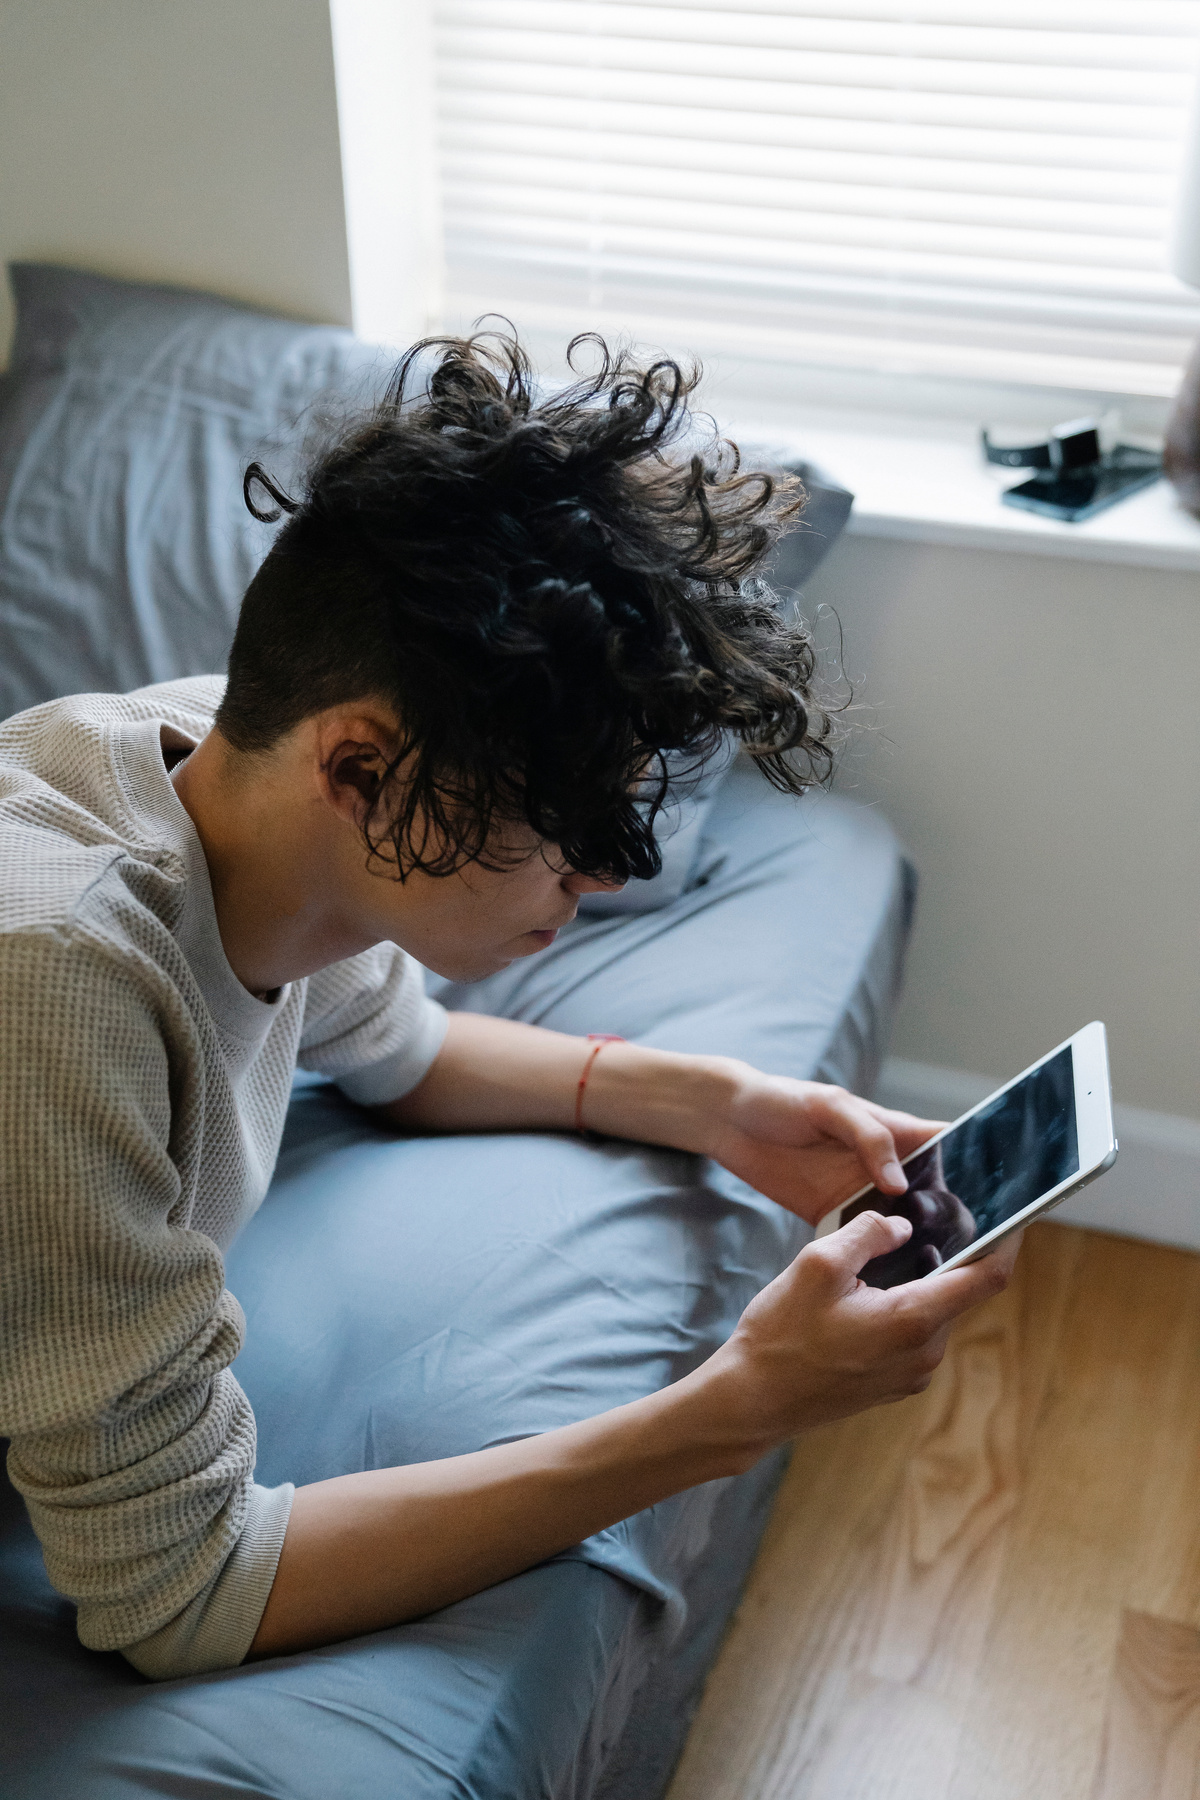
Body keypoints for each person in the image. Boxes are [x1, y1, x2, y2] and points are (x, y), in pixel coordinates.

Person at [0, 332, 1016, 1682]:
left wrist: (721, 1106)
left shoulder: (225, 769)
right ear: (357, 772)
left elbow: (400, 1055)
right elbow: (178, 1592)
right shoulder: (56, 987)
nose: (600, 879)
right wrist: (735, 1408)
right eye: (559, 831)